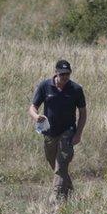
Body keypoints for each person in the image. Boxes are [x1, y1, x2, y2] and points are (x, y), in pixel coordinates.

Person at [28, 59, 87, 200]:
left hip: (68, 131)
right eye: (62, 74)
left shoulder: (76, 89)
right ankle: (69, 190)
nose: (64, 77)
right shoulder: (45, 86)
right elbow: (32, 107)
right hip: (49, 131)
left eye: (67, 74)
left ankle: (56, 198)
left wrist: (78, 134)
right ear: (55, 73)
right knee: (53, 161)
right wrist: (36, 117)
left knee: (61, 164)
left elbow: (83, 113)